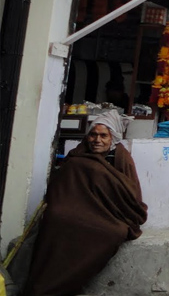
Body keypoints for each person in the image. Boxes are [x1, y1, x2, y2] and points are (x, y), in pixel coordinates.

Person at [27, 110, 148, 295]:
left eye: (103, 136)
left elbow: (130, 196)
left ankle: (66, 284)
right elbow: (62, 186)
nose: (97, 140)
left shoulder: (121, 158)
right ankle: (41, 285)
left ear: (112, 138)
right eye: (93, 134)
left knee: (112, 232)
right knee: (55, 218)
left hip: (108, 214)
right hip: (74, 207)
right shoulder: (78, 155)